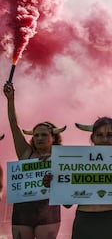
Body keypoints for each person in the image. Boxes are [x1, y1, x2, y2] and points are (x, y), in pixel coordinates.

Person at [43, 116, 112, 239]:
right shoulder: (76, 162)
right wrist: (55, 186)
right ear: (93, 138)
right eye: (100, 135)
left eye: (109, 135)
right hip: (85, 221)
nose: (105, 139)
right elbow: (67, 204)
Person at [3, 81, 66, 239]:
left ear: (53, 137)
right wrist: (11, 100)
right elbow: (13, 125)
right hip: (23, 212)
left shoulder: (62, 158)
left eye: (44, 135)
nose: (39, 138)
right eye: (36, 135)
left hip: (48, 212)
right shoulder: (26, 154)